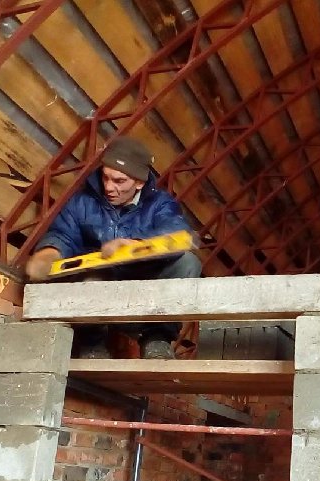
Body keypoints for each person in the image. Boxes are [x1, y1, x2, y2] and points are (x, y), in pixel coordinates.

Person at [25, 136, 201, 359]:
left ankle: (156, 339)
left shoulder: (160, 204)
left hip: (144, 289)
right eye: (105, 177)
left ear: (139, 182)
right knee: (93, 277)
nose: (109, 187)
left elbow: (175, 231)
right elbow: (64, 234)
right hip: (99, 287)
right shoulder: (83, 202)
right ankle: (92, 344)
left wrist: (135, 245)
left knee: (188, 262)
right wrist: (50, 251)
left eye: (119, 181)